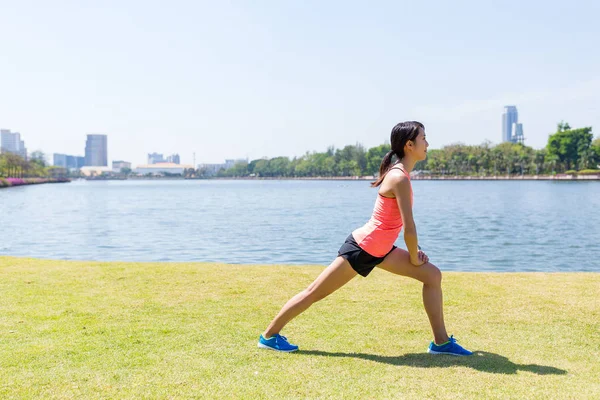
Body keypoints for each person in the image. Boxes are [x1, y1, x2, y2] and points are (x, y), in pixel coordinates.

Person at [257, 121, 472, 356]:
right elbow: (409, 228)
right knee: (315, 292)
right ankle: (269, 336)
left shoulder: (401, 175)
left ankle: (441, 342)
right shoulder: (399, 178)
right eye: (424, 138)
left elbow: (398, 225)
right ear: (409, 145)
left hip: (382, 249)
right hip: (362, 248)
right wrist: (414, 256)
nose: (427, 143)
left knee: (432, 275)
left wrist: (416, 253)